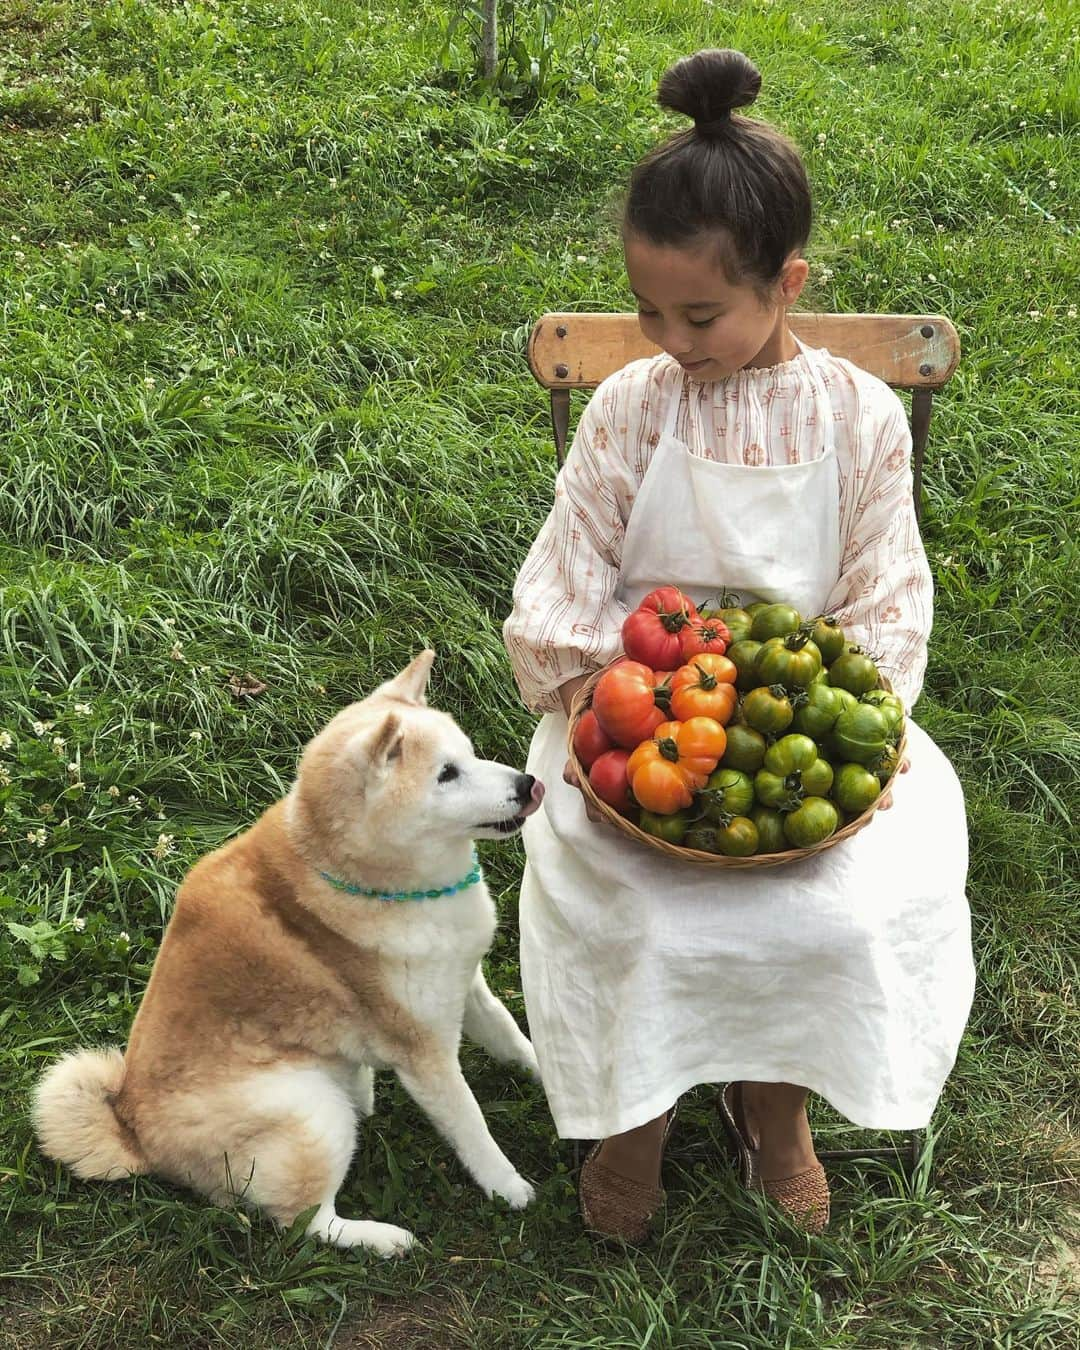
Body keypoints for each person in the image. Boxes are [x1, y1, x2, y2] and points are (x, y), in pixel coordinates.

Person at [502, 49, 974, 1242]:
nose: (669, 337)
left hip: (792, 724)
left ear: (787, 284)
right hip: (630, 704)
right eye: (649, 310)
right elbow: (560, 589)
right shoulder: (632, 406)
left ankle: (777, 1103)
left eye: (699, 314)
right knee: (627, 899)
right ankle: (637, 1112)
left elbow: (885, 605)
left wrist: (829, 711)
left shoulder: (856, 416)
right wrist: (617, 698)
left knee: (841, 905)